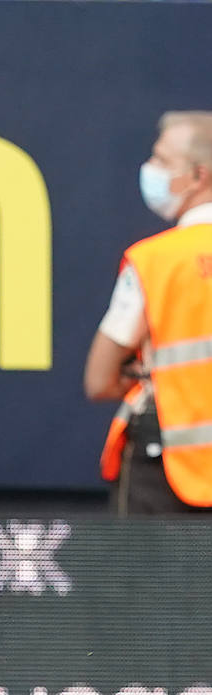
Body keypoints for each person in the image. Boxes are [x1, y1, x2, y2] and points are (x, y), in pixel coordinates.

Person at [85, 110, 212, 515]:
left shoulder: (155, 261)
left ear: (198, 176)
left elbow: (100, 380)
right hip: (173, 468)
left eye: (161, 160)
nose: (149, 170)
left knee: (148, 580)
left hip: (167, 468)